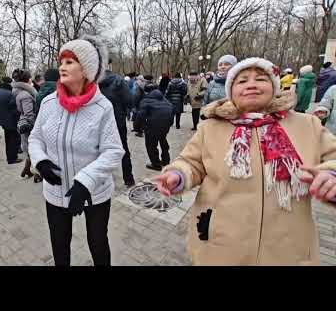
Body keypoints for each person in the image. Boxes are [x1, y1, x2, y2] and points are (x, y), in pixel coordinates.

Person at [154, 57, 336, 265]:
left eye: (260, 79)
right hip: (222, 243)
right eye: (242, 81)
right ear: (231, 91)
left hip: (288, 248)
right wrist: (177, 175)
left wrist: (331, 176)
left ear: (274, 86)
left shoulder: (307, 125)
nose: (251, 84)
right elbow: (191, 162)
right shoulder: (211, 127)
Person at [29, 35, 124, 266]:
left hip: (94, 192)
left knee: (97, 242)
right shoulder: (49, 103)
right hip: (55, 190)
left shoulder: (103, 107)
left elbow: (113, 151)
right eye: (61, 61)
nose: (62, 67)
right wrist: (40, 162)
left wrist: (85, 182)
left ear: (87, 69)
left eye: (70, 62)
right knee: (59, 244)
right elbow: (35, 138)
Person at [99, 58, 136, 187]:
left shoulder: (91, 83)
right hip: (117, 121)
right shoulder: (118, 80)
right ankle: (129, 179)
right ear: (109, 65)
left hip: (99, 123)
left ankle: (101, 180)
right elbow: (130, 101)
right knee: (123, 149)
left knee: (100, 151)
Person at [11, 69, 42, 182]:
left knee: (31, 149)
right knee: (35, 149)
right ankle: (38, 174)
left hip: (25, 123)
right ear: (27, 80)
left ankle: (26, 169)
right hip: (30, 126)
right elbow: (29, 115)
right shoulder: (25, 94)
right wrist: (36, 129)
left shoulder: (20, 91)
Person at [136, 83, 173, 171]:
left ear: (146, 91)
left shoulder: (145, 100)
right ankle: (166, 160)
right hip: (165, 125)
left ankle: (156, 164)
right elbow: (171, 109)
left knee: (151, 145)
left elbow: (140, 116)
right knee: (163, 140)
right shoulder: (164, 99)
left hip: (153, 126)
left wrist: (137, 127)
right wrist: (169, 124)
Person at [0, 76, 23, 164]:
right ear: (9, 83)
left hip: (2, 120)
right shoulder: (9, 93)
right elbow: (14, 108)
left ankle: (11, 157)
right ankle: (12, 158)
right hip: (11, 120)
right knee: (12, 139)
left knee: (8, 139)